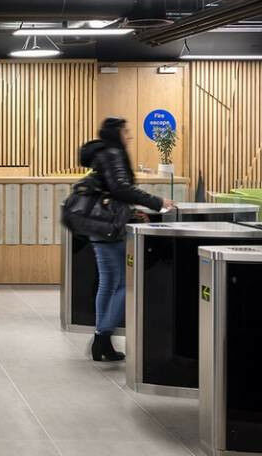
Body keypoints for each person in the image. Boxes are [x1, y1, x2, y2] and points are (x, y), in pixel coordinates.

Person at [79, 117, 175, 361]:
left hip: (98, 223)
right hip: (110, 228)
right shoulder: (114, 154)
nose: (129, 136)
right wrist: (157, 202)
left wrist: (131, 212)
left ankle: (103, 342)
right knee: (125, 283)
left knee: (108, 282)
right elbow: (121, 188)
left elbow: (109, 191)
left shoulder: (102, 154)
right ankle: (102, 337)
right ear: (117, 133)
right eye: (126, 131)